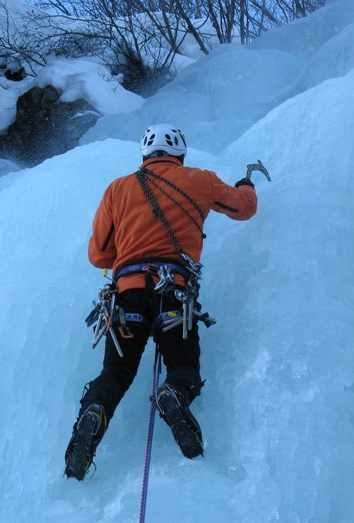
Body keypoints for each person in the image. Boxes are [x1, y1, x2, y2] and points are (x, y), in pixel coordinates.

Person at [64, 123, 258, 481]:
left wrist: (131, 251)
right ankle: (174, 392)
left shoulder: (117, 189)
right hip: (173, 292)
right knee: (183, 367)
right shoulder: (199, 180)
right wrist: (246, 185)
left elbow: (98, 254)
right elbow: (243, 209)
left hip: (127, 296)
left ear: (145, 155)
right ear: (180, 155)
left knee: (116, 373)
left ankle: (93, 413)